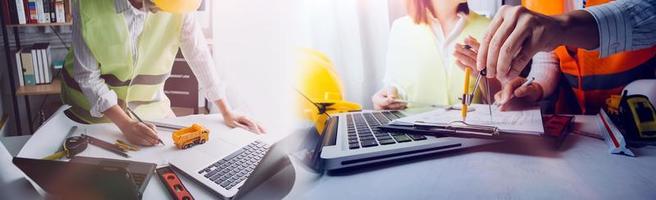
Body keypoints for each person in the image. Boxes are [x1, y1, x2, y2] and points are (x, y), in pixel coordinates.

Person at [61, 0, 265, 146]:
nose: (162, 11)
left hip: (150, 109)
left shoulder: (178, 5)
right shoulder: (87, 4)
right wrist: (125, 124)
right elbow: (87, 76)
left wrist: (226, 110)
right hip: (90, 115)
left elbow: (199, 53)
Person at [457, 0, 656, 113]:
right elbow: (547, 58)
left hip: (641, 118)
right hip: (580, 130)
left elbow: (650, 14)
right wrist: (534, 88)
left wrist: (563, 26)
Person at [372, 0, 497, 110]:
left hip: (469, 132)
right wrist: (386, 98)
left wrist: (485, 78)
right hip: (414, 132)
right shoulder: (400, 28)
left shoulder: (489, 28)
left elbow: (499, 102)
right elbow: (394, 86)